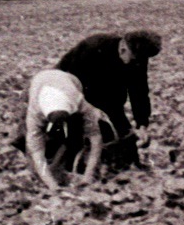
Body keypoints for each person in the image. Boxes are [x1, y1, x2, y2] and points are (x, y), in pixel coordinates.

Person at [56, 30, 162, 170]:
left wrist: (142, 123)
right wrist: (90, 110)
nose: (135, 63)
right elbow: (70, 83)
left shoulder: (139, 56)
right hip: (72, 89)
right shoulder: (93, 48)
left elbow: (139, 90)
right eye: (133, 59)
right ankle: (70, 167)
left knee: (125, 138)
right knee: (76, 134)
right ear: (124, 49)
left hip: (110, 96)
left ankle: (124, 165)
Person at [18, 68, 112, 192]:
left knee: (75, 133)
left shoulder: (79, 103)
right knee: (30, 141)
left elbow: (96, 137)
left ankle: (68, 158)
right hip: (38, 81)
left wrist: (89, 175)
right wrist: (52, 186)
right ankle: (48, 170)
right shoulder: (35, 114)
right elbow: (37, 153)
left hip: (70, 80)